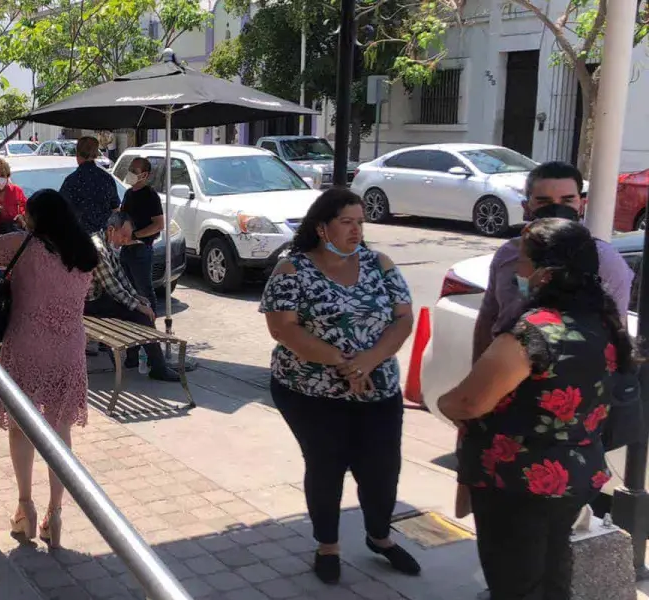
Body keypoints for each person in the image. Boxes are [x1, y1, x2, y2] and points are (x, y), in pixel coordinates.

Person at [438, 218, 626, 600]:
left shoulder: (533, 332)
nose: (517, 270)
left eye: (525, 262)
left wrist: (446, 403)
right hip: (574, 476)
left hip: (518, 481)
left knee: (513, 581)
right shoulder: (601, 322)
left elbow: (468, 401)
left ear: (546, 274)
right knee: (552, 566)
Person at [260, 188, 421, 584]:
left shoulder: (379, 263)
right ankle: (327, 545)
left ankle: (380, 537)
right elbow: (282, 328)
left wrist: (369, 360)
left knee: (381, 467)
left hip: (378, 388)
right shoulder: (292, 270)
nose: (356, 230)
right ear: (321, 227)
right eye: (346, 222)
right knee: (327, 464)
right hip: (309, 392)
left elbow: (403, 318)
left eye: (360, 222)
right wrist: (344, 362)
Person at [0, 189, 99, 548]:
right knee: (60, 432)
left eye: (28, 214)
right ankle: (56, 514)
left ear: (38, 217)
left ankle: (25, 507)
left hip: (26, 344)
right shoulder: (86, 251)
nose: (24, 219)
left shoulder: (22, 244)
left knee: (21, 428)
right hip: (70, 347)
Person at [473, 161, 633, 361]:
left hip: (570, 381)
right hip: (505, 372)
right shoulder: (508, 254)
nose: (556, 209)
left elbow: (616, 327)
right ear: (526, 206)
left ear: (581, 204)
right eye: (543, 201)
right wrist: (479, 367)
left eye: (567, 201)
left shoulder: (605, 259)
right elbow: (489, 316)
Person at [86, 212, 181, 382]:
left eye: (128, 237)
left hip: (101, 298)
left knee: (142, 308)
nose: (125, 241)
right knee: (142, 313)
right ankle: (156, 366)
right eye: (123, 236)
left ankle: (137, 360)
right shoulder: (97, 249)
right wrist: (137, 305)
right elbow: (114, 288)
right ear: (111, 230)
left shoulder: (106, 243)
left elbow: (120, 276)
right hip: (89, 304)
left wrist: (136, 296)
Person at [119, 157, 165, 312]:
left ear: (144, 175)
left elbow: (159, 225)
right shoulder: (128, 194)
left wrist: (135, 236)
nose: (130, 173)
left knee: (144, 291)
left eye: (134, 171)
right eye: (130, 169)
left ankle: (150, 325)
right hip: (125, 249)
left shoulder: (150, 196)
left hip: (141, 249)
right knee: (127, 291)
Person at [60, 136, 119, 234]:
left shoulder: (71, 181)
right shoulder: (107, 179)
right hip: (104, 239)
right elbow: (116, 210)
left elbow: (60, 210)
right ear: (95, 154)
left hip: (80, 239)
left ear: (77, 154)